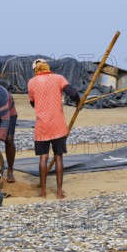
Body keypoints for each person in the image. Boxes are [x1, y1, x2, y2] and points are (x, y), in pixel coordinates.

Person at [27, 59, 80, 199]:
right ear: (47, 67)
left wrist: (42, 108)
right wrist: (78, 103)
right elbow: (73, 93)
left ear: (35, 70)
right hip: (58, 124)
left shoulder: (32, 82)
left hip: (42, 125)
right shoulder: (58, 78)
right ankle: (59, 192)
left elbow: (33, 102)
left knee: (43, 158)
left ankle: (43, 192)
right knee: (58, 157)